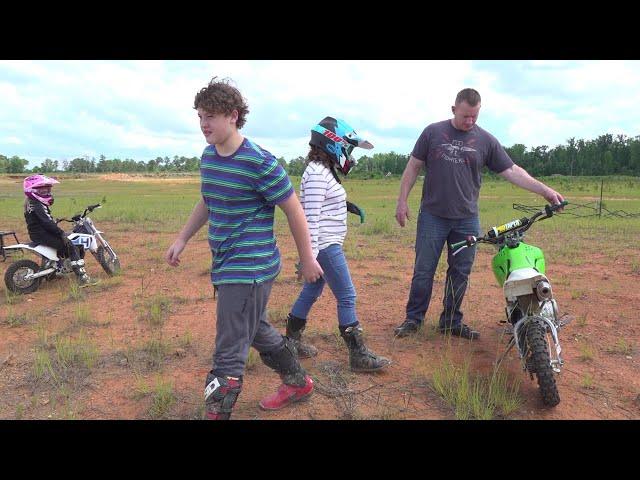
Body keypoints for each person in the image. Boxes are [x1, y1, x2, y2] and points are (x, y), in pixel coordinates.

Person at [165, 77, 324, 420]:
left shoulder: (259, 161)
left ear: (233, 116)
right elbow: (208, 200)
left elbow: (293, 209)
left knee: (228, 348)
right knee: (254, 329)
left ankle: (217, 411)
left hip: (250, 267)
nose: (204, 124)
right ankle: (297, 382)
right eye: (200, 116)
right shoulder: (209, 157)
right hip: (225, 263)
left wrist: (307, 258)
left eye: (211, 116)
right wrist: (182, 238)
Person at [393, 88, 564, 340]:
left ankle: (451, 321)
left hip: (466, 219)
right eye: (465, 116)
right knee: (424, 269)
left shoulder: (486, 140)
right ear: (454, 110)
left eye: (474, 116)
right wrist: (402, 201)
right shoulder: (432, 132)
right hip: (432, 216)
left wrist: (546, 191)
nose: (470, 121)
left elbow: (512, 170)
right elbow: (413, 167)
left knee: (460, 271)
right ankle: (413, 319)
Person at [284, 117, 391, 372]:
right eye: (348, 148)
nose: (350, 155)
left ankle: (290, 342)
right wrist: (308, 257)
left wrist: (345, 206)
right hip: (325, 247)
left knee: (312, 292)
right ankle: (358, 355)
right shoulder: (319, 174)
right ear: (333, 144)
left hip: (322, 246)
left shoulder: (321, 171)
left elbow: (320, 205)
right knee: (347, 295)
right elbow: (309, 217)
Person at [23, 174, 94, 285]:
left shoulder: (31, 203)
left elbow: (41, 220)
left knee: (63, 245)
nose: (46, 192)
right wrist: (61, 233)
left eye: (48, 189)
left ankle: (53, 273)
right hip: (43, 234)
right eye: (42, 190)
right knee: (72, 245)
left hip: (38, 234)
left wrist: (54, 221)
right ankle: (83, 278)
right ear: (32, 190)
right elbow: (46, 222)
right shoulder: (37, 205)